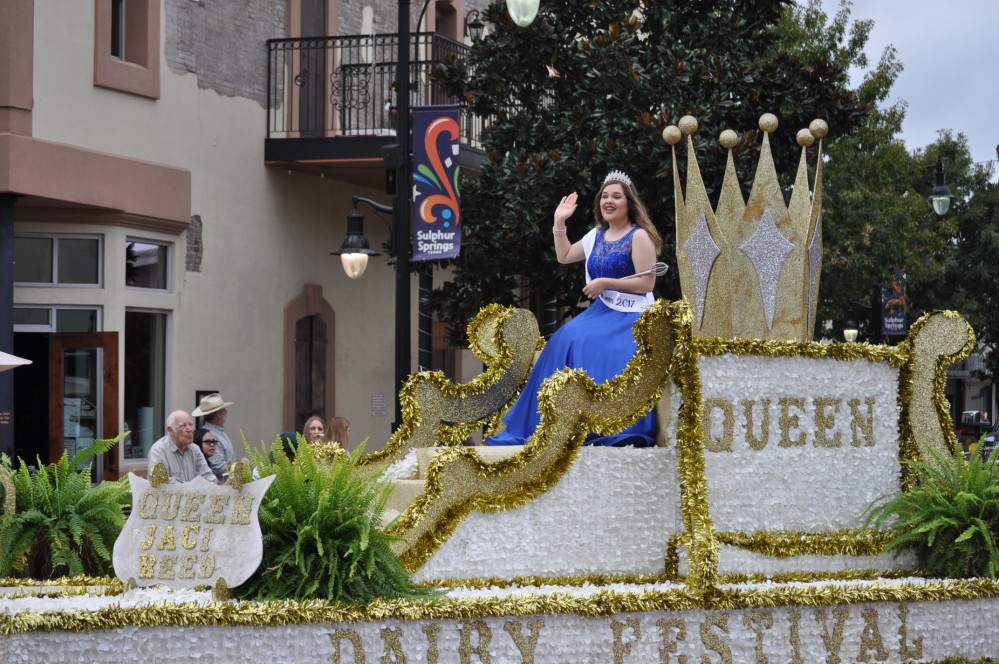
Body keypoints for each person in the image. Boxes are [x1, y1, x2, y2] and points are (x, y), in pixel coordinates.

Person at [485, 170, 662, 447]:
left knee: (607, 347)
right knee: (565, 338)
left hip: (633, 313)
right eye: (605, 196)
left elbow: (647, 282)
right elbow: (564, 255)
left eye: (616, 196)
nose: (609, 201)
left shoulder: (639, 236)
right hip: (603, 311)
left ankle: (605, 421)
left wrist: (605, 282)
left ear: (629, 203)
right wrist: (559, 222)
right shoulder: (596, 235)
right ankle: (550, 423)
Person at [147, 410, 217, 483]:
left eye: (190, 424)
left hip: (195, 493)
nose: (189, 429)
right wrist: (192, 488)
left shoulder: (195, 449)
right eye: (183, 426)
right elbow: (161, 483)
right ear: (170, 430)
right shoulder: (158, 450)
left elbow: (207, 475)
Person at [192, 392, 248, 477]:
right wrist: (241, 464)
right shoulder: (210, 436)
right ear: (218, 414)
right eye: (224, 409)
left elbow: (226, 461)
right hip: (221, 486)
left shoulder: (217, 432)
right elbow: (219, 468)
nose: (226, 412)